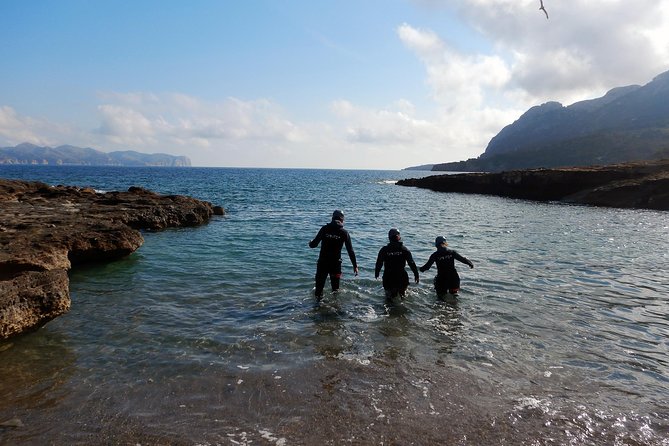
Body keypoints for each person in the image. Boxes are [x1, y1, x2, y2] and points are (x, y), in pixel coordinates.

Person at [308, 209, 358, 298]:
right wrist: (355, 266)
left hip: (323, 263)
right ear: (342, 220)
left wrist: (310, 243)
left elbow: (314, 245)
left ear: (332, 218)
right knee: (335, 290)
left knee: (319, 290)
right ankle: (335, 308)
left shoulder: (324, 229)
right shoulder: (344, 233)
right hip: (336, 265)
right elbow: (350, 250)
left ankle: (317, 307)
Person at [375, 228, 419, 299]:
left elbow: (379, 263)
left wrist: (377, 272)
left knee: (389, 298)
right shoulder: (404, 249)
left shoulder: (384, 250)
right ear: (399, 238)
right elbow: (411, 263)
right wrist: (416, 275)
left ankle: (390, 309)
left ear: (389, 238)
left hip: (388, 277)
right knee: (402, 296)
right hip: (401, 277)